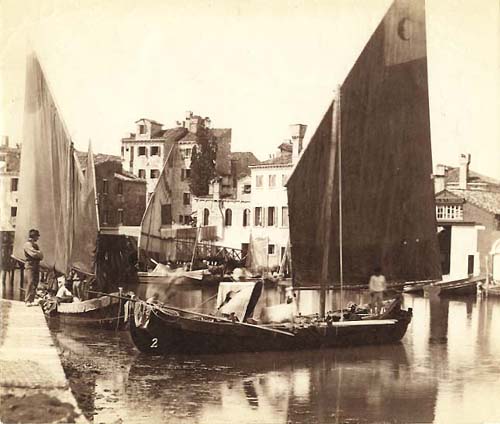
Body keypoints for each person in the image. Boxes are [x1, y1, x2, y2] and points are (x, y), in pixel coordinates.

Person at [24, 229, 44, 306]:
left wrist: (39, 254)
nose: (38, 238)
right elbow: (34, 254)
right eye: (37, 236)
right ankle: (27, 300)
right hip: (30, 265)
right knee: (30, 282)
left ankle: (32, 299)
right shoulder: (27, 244)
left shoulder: (35, 245)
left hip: (36, 265)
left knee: (35, 282)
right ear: (34, 236)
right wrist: (39, 253)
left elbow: (41, 256)